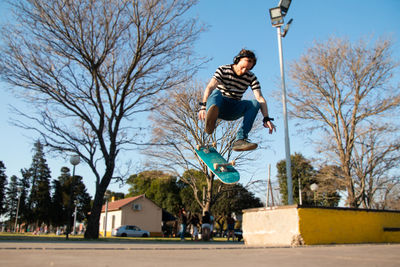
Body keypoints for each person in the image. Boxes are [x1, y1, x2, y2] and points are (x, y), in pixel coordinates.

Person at [198, 49, 276, 151]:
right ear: (237, 60)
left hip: (234, 108)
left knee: (254, 103)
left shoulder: (251, 77)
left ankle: (240, 140)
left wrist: (266, 118)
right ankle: (210, 118)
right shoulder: (223, 69)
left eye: (247, 69)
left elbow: (260, 97)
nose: (244, 71)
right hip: (219, 104)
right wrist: (203, 107)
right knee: (216, 92)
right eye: (242, 67)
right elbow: (210, 87)